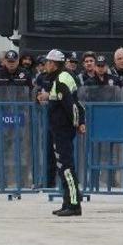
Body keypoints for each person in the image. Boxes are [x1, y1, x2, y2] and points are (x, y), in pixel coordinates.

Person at [36, 50, 84, 216]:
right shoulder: (60, 77)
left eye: (48, 62)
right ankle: (67, 202)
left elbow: (72, 105)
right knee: (62, 167)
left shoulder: (62, 79)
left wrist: (78, 124)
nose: (45, 65)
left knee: (66, 168)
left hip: (63, 129)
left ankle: (74, 204)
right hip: (58, 129)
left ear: (53, 64)